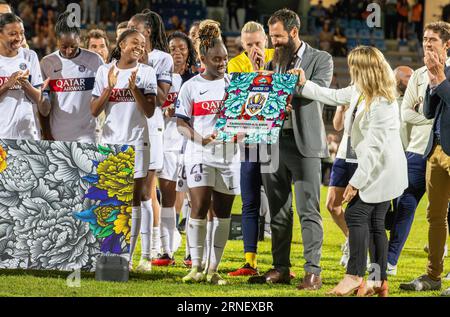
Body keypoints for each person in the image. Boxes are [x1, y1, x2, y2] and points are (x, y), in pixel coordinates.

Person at [295, 45, 408, 296]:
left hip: (382, 170)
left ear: (366, 70)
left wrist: (355, 183)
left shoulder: (383, 104)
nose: (351, 72)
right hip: (378, 167)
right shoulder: (360, 91)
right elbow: (334, 96)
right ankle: (378, 281)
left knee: (356, 215)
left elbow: (374, 151)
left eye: (354, 67)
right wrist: (304, 84)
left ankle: (354, 275)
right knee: (377, 223)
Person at [248, 9, 333, 291]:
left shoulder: (322, 59)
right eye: (271, 37)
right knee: (278, 212)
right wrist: (259, 74)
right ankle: (280, 267)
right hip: (272, 143)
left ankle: (313, 271)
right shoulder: (273, 61)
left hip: (304, 144)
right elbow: (261, 96)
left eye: (278, 37)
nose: (274, 43)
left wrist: (297, 85)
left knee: (309, 209)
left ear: (294, 33)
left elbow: (320, 92)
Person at [176, 20, 240, 285]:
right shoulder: (190, 86)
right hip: (200, 153)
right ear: (202, 58)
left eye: (225, 58)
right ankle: (196, 266)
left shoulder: (235, 83)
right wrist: (201, 140)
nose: (222, 62)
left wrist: (243, 133)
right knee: (200, 206)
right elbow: (181, 123)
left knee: (223, 213)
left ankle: (213, 269)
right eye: (216, 59)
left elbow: (247, 119)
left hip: (229, 156)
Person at [90, 28, 157, 271]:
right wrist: (109, 88)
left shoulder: (147, 72)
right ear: (121, 44)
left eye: (142, 44)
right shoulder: (104, 71)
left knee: (133, 200)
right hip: (110, 143)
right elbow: (94, 111)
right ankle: (109, 252)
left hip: (137, 142)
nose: (139, 47)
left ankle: (129, 257)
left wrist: (134, 89)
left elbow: (149, 111)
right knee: (110, 200)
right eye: (134, 43)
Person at [388, 31, 450, 276]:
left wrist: (440, 77)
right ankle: (433, 274)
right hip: (431, 149)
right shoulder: (424, 73)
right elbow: (427, 112)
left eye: (432, 40)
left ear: (447, 44)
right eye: (424, 40)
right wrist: (434, 78)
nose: (426, 44)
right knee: (434, 216)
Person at [226, 20, 274, 277]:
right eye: (249, 45)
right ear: (242, 45)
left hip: (276, 142)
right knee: (250, 200)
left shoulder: (276, 58)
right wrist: (256, 70)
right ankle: (249, 261)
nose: (254, 48)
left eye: (258, 43)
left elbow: (276, 96)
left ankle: (281, 263)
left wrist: (264, 69)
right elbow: (242, 105)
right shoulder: (235, 65)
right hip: (251, 143)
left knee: (279, 203)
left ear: (265, 40)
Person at [128, 9, 174, 264]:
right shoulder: (124, 56)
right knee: (131, 194)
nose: (129, 30)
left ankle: (152, 249)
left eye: (134, 27)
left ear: (146, 31)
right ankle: (127, 251)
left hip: (151, 129)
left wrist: (144, 66)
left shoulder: (163, 59)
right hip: (127, 131)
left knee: (147, 191)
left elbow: (162, 98)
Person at [152, 31, 197, 266]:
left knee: (192, 199)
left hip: (190, 144)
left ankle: (191, 253)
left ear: (189, 52)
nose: (177, 52)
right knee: (167, 198)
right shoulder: (160, 79)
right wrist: (164, 112)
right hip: (166, 144)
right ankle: (166, 251)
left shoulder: (196, 80)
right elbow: (150, 108)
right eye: (172, 48)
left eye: (182, 48)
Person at [40, 12, 104, 143]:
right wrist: (46, 134)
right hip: (57, 134)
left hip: (88, 135)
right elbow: (43, 108)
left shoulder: (94, 60)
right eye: (64, 47)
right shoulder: (47, 63)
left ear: (79, 39)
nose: (69, 51)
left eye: (73, 46)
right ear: (57, 40)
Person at [0, 13, 46, 140]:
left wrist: (26, 85)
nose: (19, 38)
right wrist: (6, 85)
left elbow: (39, 98)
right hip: (2, 135)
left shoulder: (30, 56)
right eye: (12, 34)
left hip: (28, 135)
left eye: (21, 33)